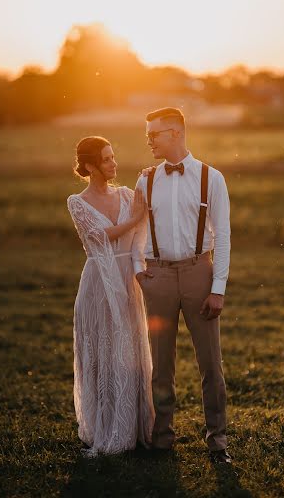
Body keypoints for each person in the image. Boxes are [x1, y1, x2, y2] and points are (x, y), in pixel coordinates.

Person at [135, 107, 232, 464]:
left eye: (154, 134)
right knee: (161, 364)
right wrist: (138, 270)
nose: (148, 140)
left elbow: (222, 235)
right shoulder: (145, 179)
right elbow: (137, 227)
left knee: (210, 363)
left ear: (175, 133)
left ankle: (217, 439)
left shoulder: (212, 178)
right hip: (157, 276)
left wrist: (218, 287)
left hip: (198, 274)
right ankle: (162, 438)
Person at [67, 136, 154, 456]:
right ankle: (107, 426)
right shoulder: (76, 202)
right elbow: (99, 237)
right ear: (89, 166)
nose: (114, 163)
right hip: (99, 282)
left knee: (129, 349)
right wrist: (132, 220)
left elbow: (144, 224)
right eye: (106, 159)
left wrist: (149, 178)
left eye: (113, 156)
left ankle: (135, 425)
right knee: (104, 350)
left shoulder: (127, 195)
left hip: (128, 279)